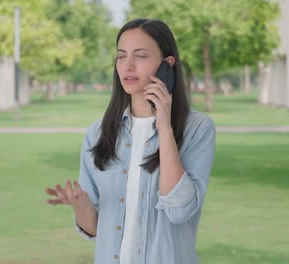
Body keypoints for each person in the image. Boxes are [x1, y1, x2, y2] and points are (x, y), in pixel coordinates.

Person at [45, 18, 216, 264]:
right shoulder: (97, 134)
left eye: (141, 56)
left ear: (167, 65)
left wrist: (164, 128)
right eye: (121, 56)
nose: (128, 65)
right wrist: (80, 203)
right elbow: (94, 230)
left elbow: (179, 211)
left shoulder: (197, 129)